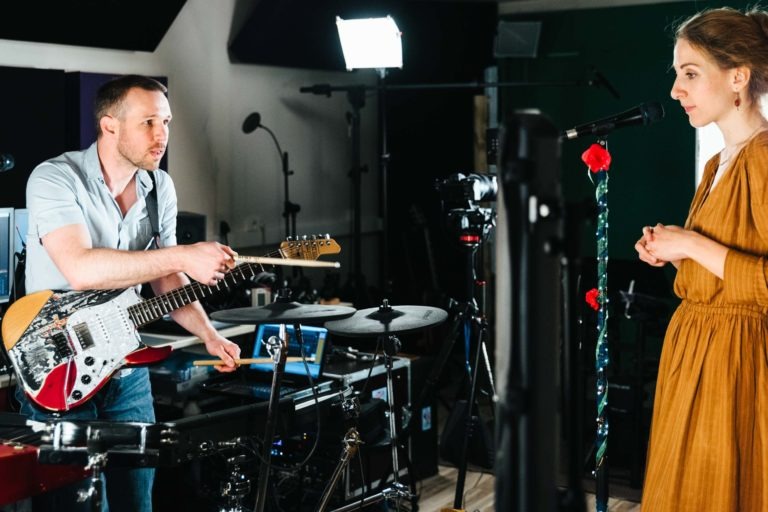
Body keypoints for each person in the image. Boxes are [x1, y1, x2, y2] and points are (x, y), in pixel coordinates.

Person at [16, 74, 241, 511]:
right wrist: (181, 255)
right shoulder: (54, 178)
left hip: (127, 372)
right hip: (59, 365)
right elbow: (80, 268)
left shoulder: (160, 187)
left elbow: (166, 279)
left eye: (167, 122)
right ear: (110, 125)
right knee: (77, 506)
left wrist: (209, 335)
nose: (163, 136)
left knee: (136, 503)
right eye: (149, 123)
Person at [636, 6, 768, 511]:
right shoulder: (718, 162)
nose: (676, 89)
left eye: (690, 73)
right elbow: (730, 267)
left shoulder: (761, 157)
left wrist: (690, 245)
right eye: (676, 74)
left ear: (738, 76)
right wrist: (672, 253)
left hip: (737, 365)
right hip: (696, 354)